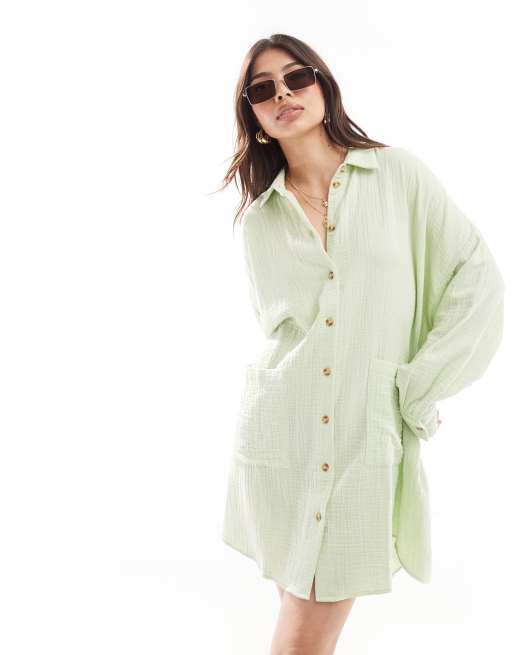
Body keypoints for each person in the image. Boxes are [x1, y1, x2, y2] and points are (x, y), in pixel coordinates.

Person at [219, 33, 505, 655]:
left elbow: (476, 279)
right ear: (255, 117)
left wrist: (418, 385)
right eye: (263, 90)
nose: (283, 94)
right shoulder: (260, 218)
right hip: (280, 440)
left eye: (296, 78)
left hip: (363, 434)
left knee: (301, 639)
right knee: (301, 635)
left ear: (323, 84)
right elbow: (279, 330)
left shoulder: (397, 175)